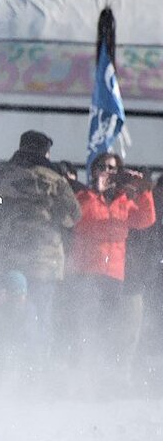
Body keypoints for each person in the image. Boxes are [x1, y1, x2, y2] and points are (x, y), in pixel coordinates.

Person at [0, 130, 79, 372]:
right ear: (44, 151)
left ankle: (2, 370)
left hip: (8, 256)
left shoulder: (1, 174)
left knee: (6, 314)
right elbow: (73, 215)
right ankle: (35, 374)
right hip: (44, 260)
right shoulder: (55, 179)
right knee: (41, 317)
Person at [66, 152, 155, 378]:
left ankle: (103, 375)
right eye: (103, 167)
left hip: (113, 274)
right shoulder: (85, 196)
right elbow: (80, 220)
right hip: (87, 272)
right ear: (94, 171)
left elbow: (146, 219)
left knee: (108, 327)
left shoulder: (123, 201)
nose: (108, 172)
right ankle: (81, 374)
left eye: (112, 168)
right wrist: (96, 192)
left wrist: (143, 189)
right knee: (85, 325)